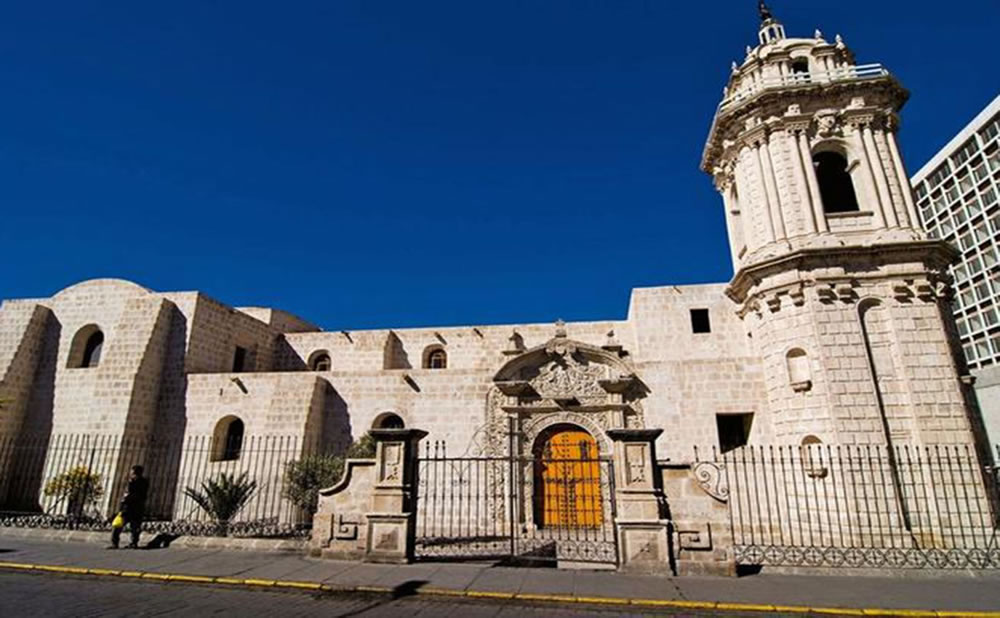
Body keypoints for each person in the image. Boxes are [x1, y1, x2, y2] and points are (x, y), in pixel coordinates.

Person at [110, 465, 149, 549]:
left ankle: (115, 543)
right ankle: (133, 542)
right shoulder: (145, 482)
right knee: (135, 527)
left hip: (128, 508)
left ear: (134, 473)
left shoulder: (133, 482)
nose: (131, 474)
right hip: (138, 508)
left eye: (132, 472)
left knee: (117, 525)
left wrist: (123, 503)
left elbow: (128, 495)